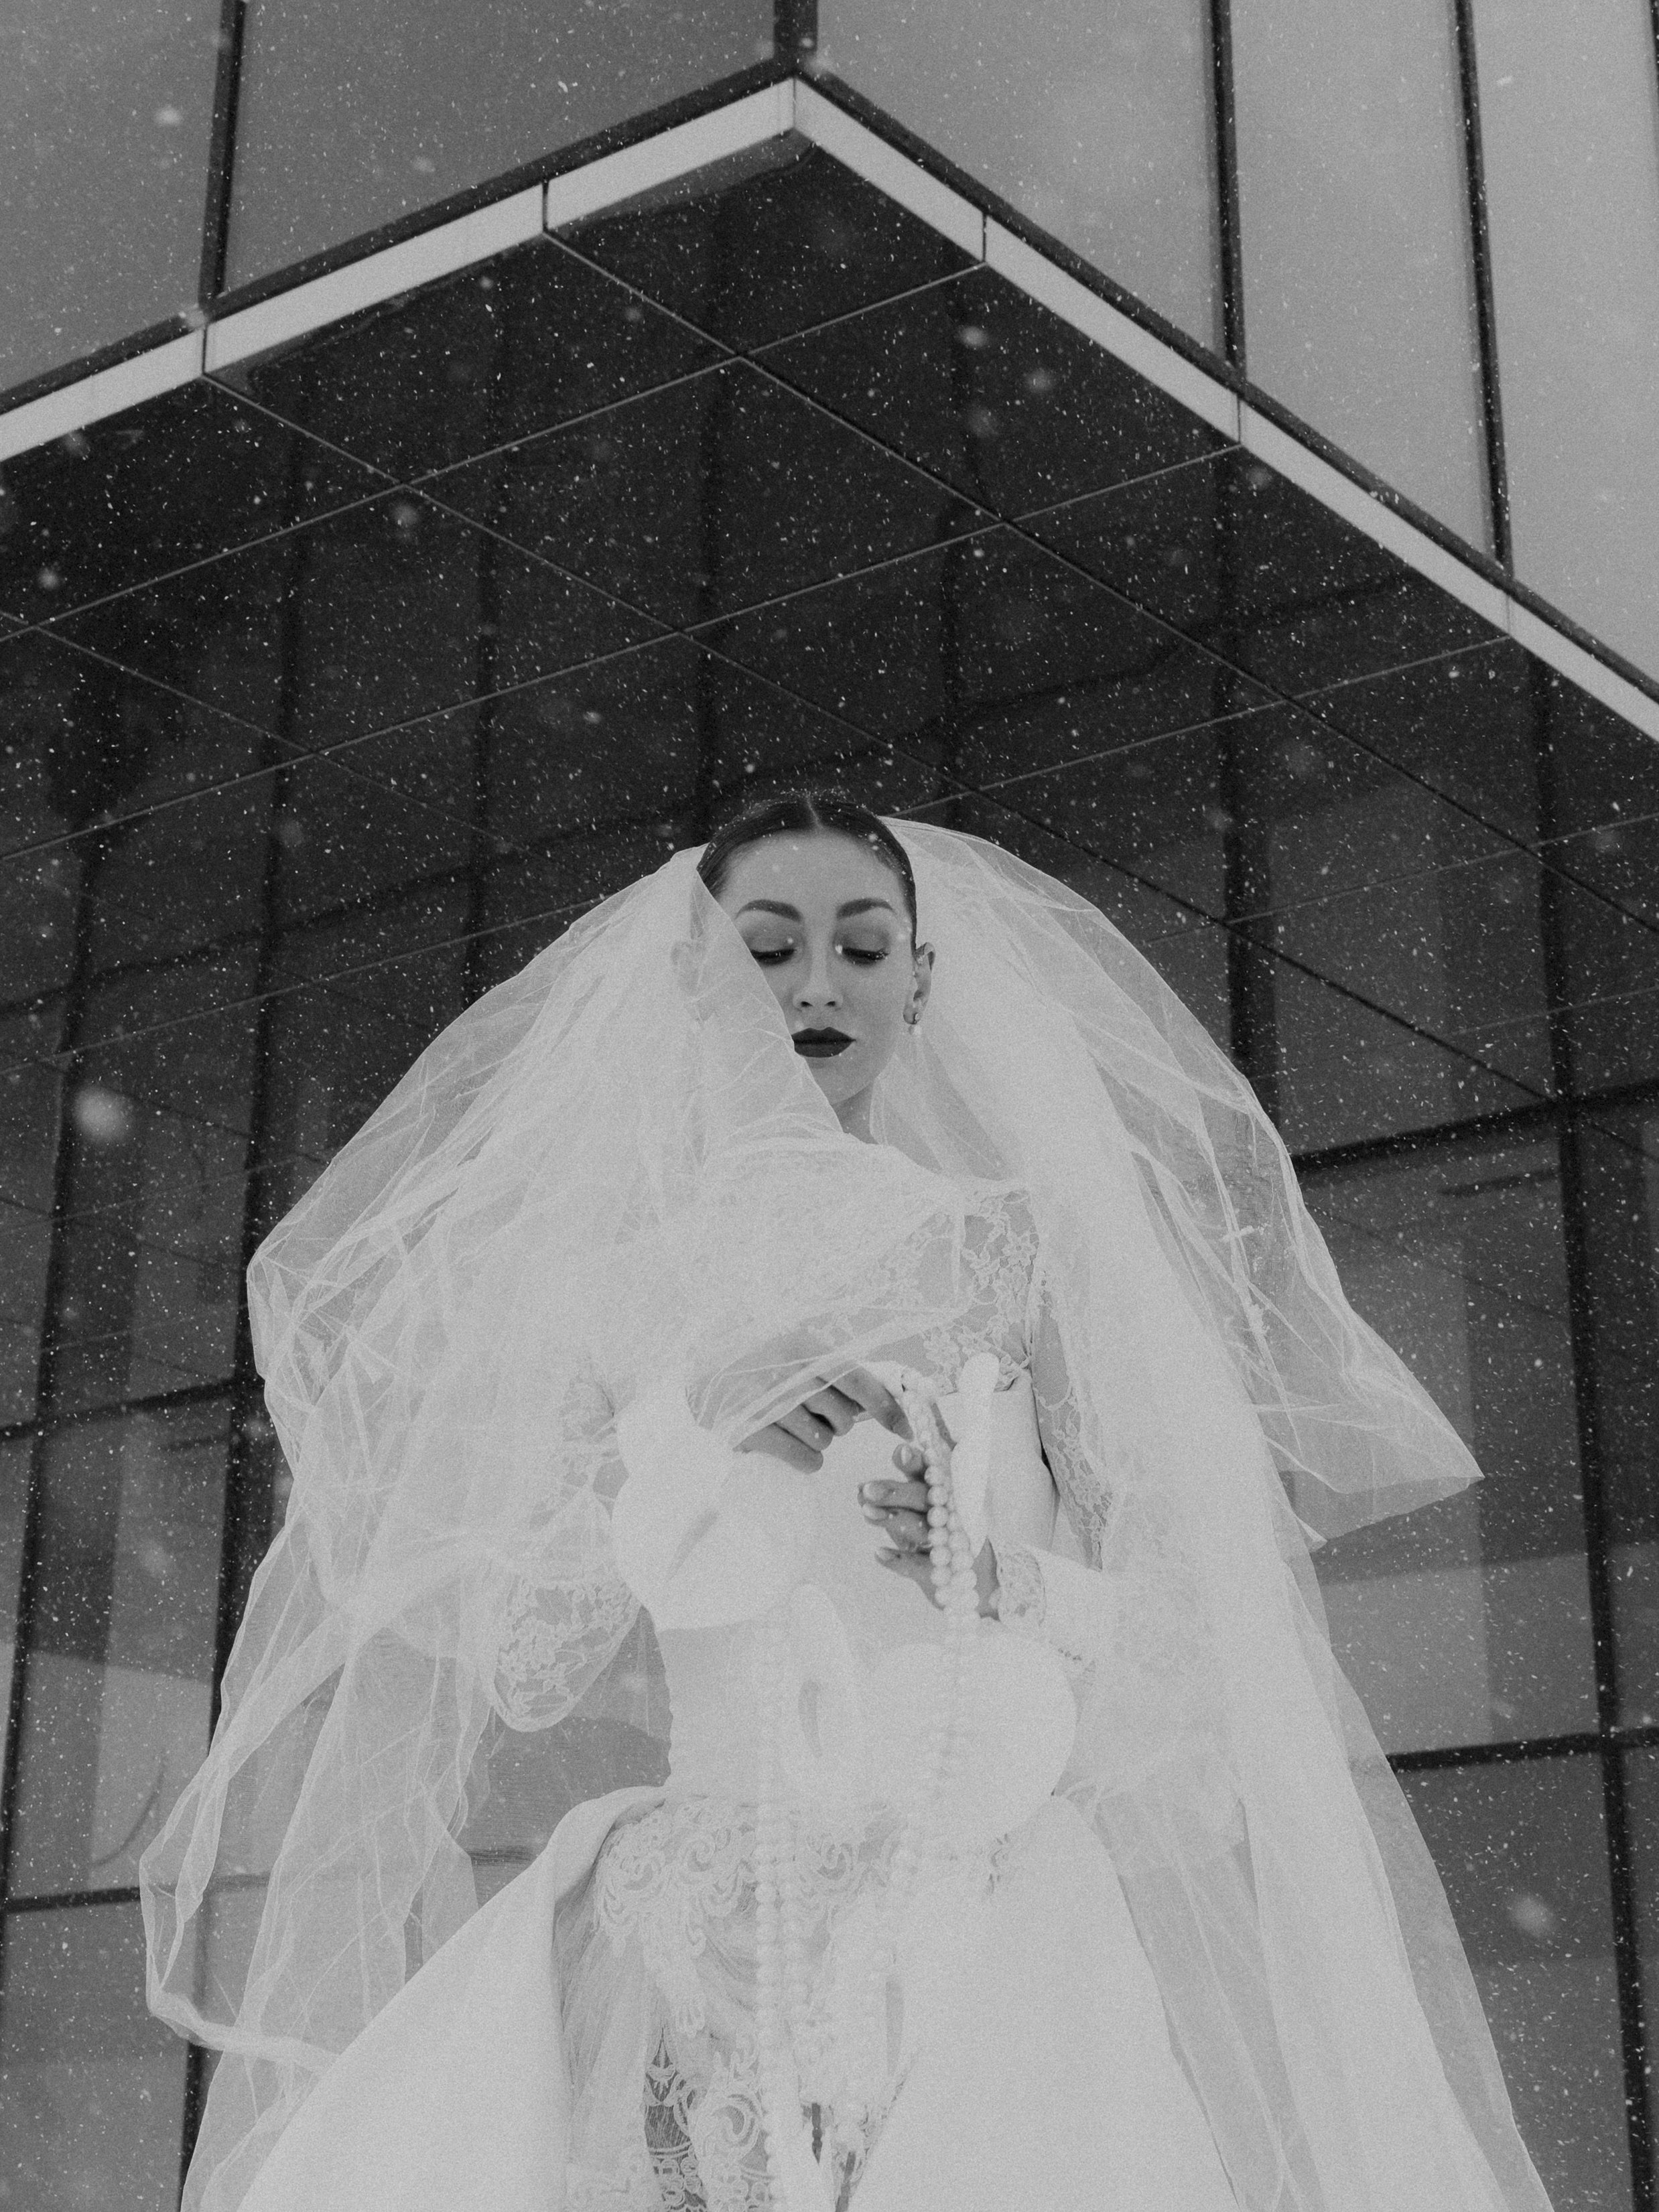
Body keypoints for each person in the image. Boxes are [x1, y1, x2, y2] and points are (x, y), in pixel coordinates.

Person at [141, 791, 1556, 2212]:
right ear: (693, 979)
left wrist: (1004, 1581)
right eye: (767, 948)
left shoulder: (1009, 1251)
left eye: (862, 948)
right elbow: (525, 1655)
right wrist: (683, 1432)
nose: (816, 985)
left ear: (920, 982)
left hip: (985, 1924)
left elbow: (1197, 1638)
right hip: (698, 1919)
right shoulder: (615, 1286)